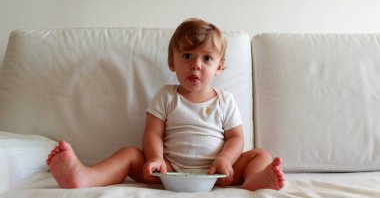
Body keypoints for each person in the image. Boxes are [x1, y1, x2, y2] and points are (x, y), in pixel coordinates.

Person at [46, 18, 285, 191]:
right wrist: (156, 158)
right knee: (129, 154)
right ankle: (85, 177)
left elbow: (236, 138)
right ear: (172, 62)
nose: (196, 65)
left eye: (207, 58)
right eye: (187, 56)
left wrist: (226, 160)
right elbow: (152, 133)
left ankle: (256, 180)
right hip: (169, 170)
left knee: (259, 154)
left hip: (217, 173)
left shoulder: (225, 100)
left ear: (219, 67)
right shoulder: (167, 96)